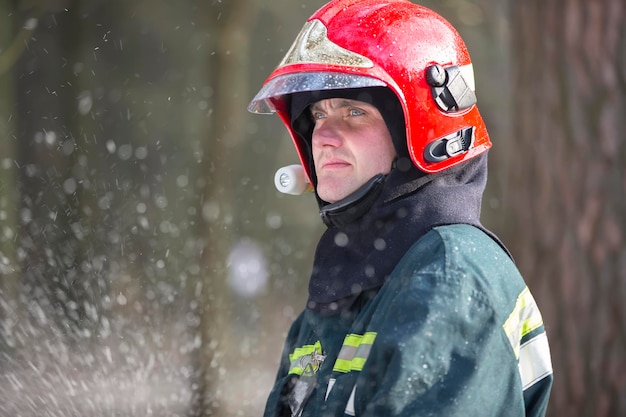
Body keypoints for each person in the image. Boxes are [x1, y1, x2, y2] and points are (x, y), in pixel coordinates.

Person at [247, 0, 553, 416]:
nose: (323, 135)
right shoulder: (355, 276)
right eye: (318, 113)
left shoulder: (449, 277)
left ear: (422, 129)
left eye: (354, 111)